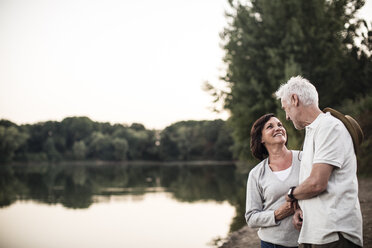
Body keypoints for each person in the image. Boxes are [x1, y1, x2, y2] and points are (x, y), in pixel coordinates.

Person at [274, 76, 363, 247]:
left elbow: (316, 184)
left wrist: (291, 194)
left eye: (286, 109)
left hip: (335, 235)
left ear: (294, 99)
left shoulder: (330, 127)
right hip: (315, 234)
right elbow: (311, 182)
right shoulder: (313, 131)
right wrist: (300, 207)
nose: (286, 117)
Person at [245, 113, 301, 248]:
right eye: (270, 126)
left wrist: (301, 207)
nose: (278, 128)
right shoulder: (256, 174)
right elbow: (251, 218)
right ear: (261, 139)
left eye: (280, 125)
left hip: (307, 240)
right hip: (272, 244)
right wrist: (277, 214)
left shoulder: (304, 159)